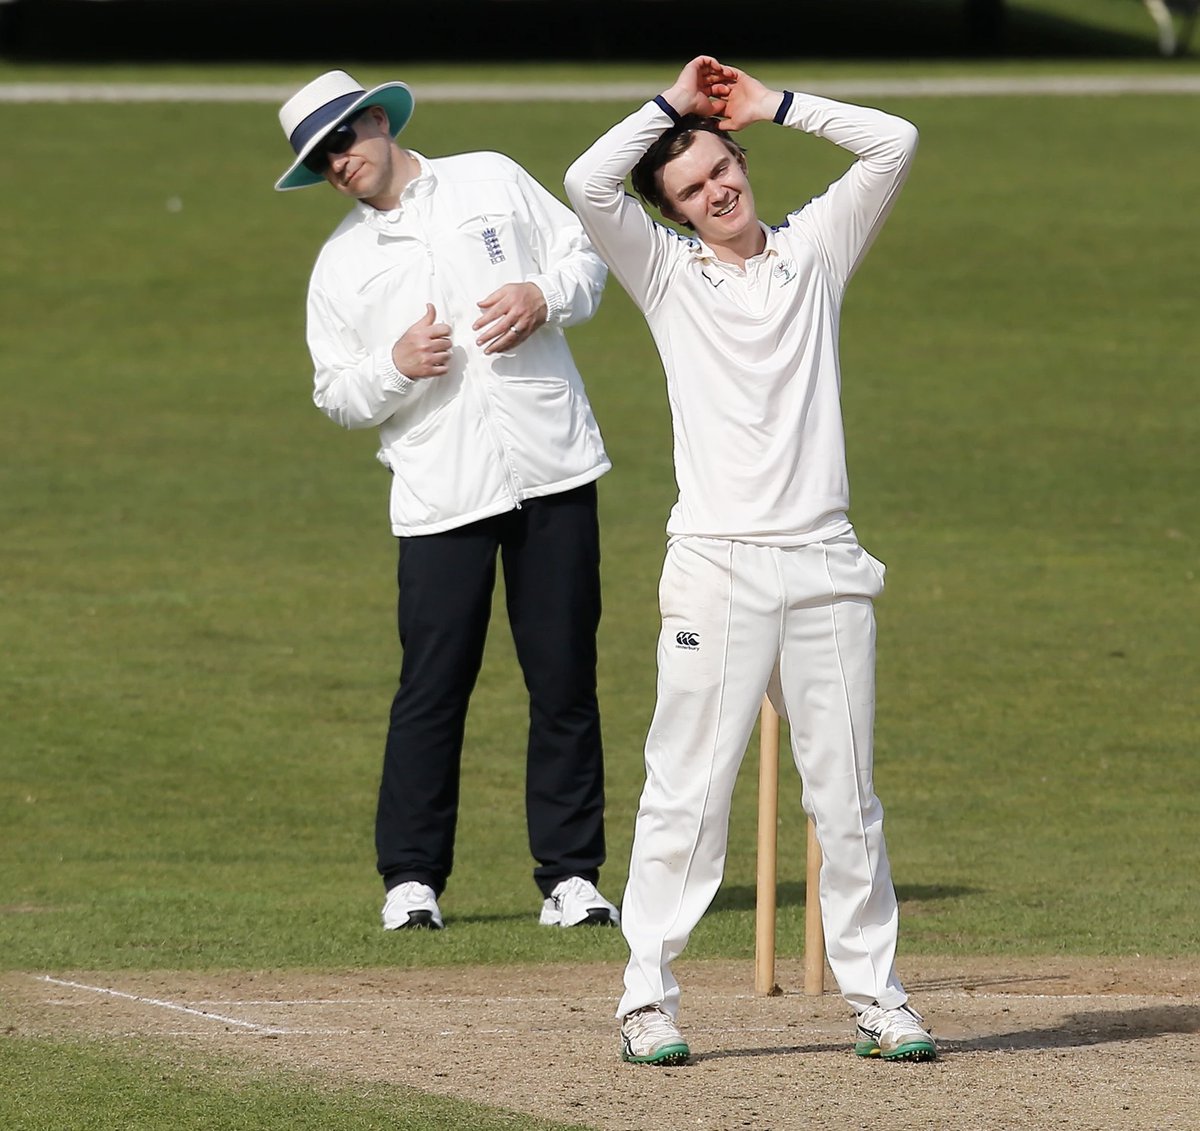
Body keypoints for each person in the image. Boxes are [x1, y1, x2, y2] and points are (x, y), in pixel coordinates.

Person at [564, 57, 934, 1064]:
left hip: (825, 562)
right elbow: (588, 184)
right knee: (688, 788)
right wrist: (669, 110)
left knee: (845, 794)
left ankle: (878, 998)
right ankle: (647, 997)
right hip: (717, 567)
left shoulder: (814, 251)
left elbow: (893, 141)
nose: (716, 192)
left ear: (742, 163)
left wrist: (777, 106)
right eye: (690, 188)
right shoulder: (665, 273)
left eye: (723, 170)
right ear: (674, 211)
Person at [275, 69, 620, 933]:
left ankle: (571, 877)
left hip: (551, 467)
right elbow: (335, 395)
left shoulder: (490, 177)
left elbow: (584, 257)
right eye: (320, 160)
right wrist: (394, 365)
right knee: (432, 687)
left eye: (343, 141)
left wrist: (544, 296)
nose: (339, 163)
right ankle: (412, 879)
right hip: (440, 494)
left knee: (564, 676)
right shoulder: (340, 265)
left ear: (376, 122)